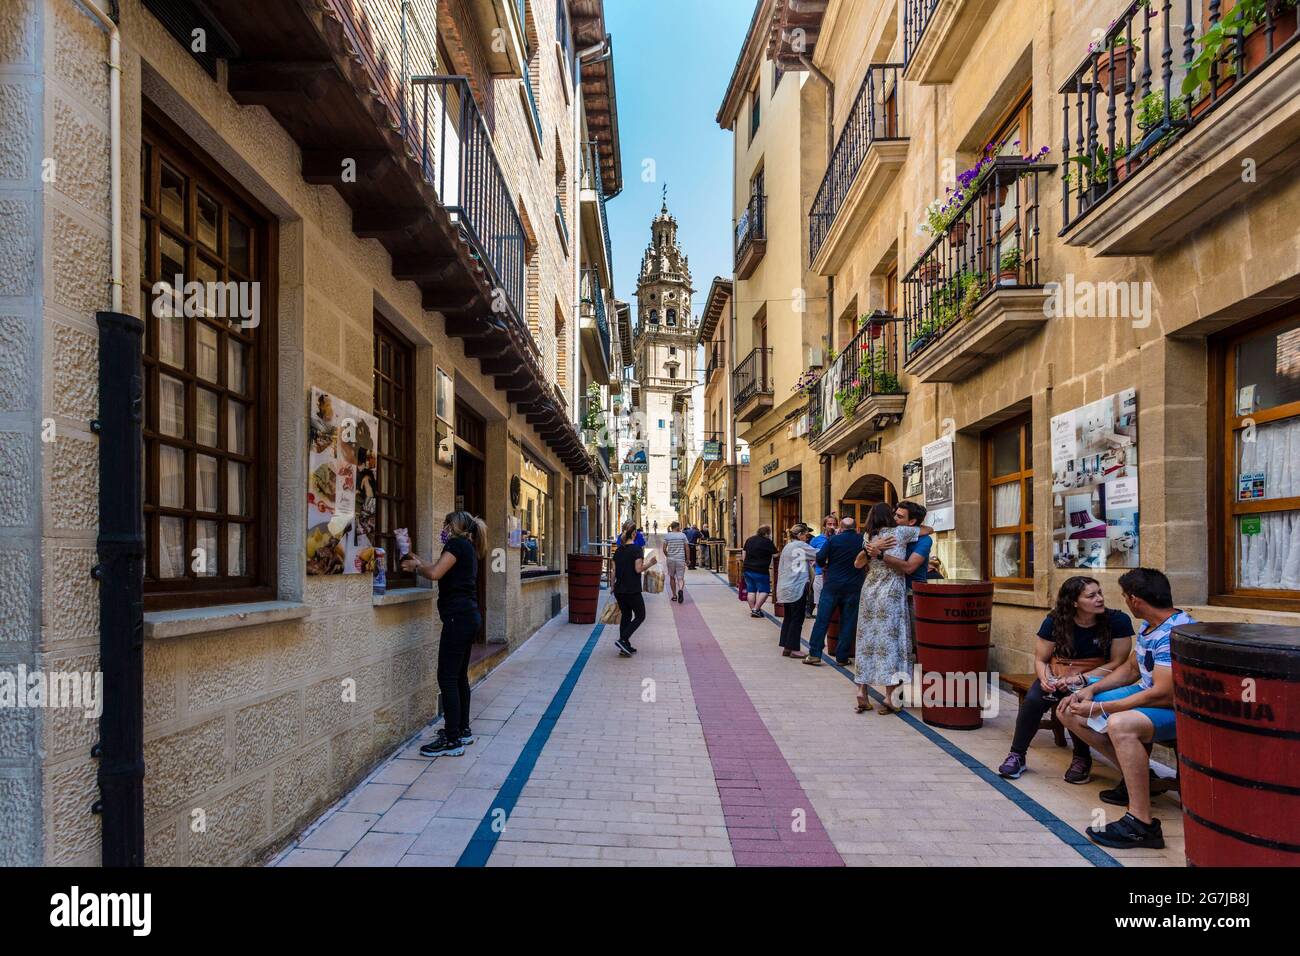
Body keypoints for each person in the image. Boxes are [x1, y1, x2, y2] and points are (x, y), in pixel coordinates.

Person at [1057, 568, 1194, 850]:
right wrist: (1091, 689)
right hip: (1147, 693)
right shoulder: (1150, 625)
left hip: (1174, 707)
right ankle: (1140, 777)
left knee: (1120, 724)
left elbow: (1162, 693)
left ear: (1134, 600)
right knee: (1070, 709)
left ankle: (1141, 823)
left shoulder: (1172, 633)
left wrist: (1102, 707)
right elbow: (1132, 668)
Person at [995, 576, 1134, 782]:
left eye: (1099, 593)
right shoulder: (1054, 621)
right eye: (1091, 596)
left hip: (1097, 679)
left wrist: (1081, 679)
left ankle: (1081, 758)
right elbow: (1041, 659)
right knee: (1033, 701)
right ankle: (1017, 755)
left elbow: (1118, 662)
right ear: (1074, 602)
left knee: (1074, 702)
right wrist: (1045, 679)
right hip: (1058, 674)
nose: (1100, 599)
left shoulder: (1117, 621)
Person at [403, 511, 488, 757]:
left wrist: (416, 569)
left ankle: (452, 740)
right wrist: (418, 561)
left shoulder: (456, 544)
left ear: (455, 527)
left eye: (446, 524)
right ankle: (462, 730)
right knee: (459, 676)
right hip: (468, 617)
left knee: (447, 677)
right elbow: (438, 568)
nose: (443, 528)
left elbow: (434, 574)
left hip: (457, 619)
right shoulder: (467, 547)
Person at [852, 503, 935, 713]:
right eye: (893, 514)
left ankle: (862, 690)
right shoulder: (901, 532)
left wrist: (875, 548)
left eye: (899, 515)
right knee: (891, 642)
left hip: (869, 590)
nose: (895, 518)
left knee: (866, 640)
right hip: (891, 591)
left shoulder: (869, 537)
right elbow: (929, 529)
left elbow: (858, 564)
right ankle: (890, 697)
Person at [805, 516, 865, 666]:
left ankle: (814, 654)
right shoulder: (862, 540)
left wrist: (825, 565)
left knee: (822, 620)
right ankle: (842, 657)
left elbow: (819, 558)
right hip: (853, 586)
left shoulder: (833, 540)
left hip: (832, 585)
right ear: (856, 528)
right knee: (848, 622)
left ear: (841, 528)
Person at [611, 520, 657, 657]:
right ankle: (622, 639)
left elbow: (613, 571)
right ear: (634, 534)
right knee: (640, 615)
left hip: (619, 589)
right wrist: (650, 563)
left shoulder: (618, 551)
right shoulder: (636, 550)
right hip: (632, 589)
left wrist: (612, 586)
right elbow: (638, 569)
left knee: (626, 615)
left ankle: (625, 646)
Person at [775, 524, 816, 659]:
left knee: (789, 617)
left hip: (786, 587)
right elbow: (818, 554)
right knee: (797, 618)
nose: (807, 537)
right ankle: (793, 649)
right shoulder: (800, 545)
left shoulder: (788, 546)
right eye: (805, 535)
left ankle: (787, 647)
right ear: (799, 535)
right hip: (796, 586)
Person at [741, 525, 778, 618]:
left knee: (751, 591)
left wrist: (745, 564)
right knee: (764, 590)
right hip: (761, 570)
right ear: (767, 533)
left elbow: (744, 553)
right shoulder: (767, 542)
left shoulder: (749, 540)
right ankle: (756, 609)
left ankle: (754, 609)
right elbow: (775, 554)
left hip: (748, 569)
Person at [808, 514, 838, 611]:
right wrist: (813, 561)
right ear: (824, 526)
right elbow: (809, 555)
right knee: (820, 605)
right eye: (829, 524)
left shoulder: (839, 539)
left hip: (835, 576)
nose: (832, 526)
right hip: (820, 575)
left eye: (834, 524)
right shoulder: (816, 540)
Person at [662, 521, 689, 603]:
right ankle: (680, 589)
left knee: (672, 577)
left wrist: (668, 555)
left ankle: (674, 595)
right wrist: (688, 559)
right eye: (679, 526)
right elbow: (687, 548)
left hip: (671, 559)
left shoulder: (667, 536)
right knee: (680, 578)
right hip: (681, 559)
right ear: (677, 527)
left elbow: (664, 549)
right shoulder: (683, 535)